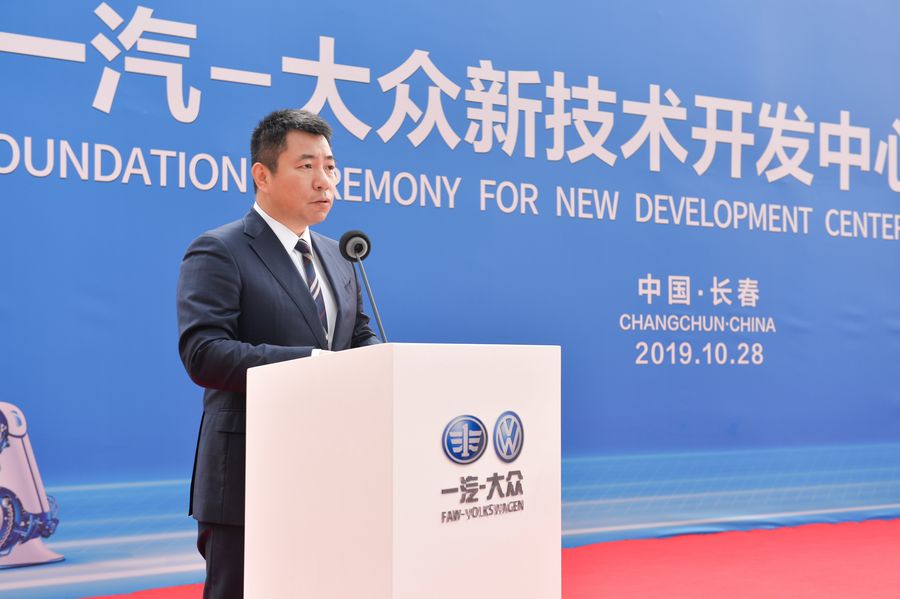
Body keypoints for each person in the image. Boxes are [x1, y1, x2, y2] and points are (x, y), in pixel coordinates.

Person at [176, 109, 380, 599]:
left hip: (334, 470)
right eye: (306, 166)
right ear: (262, 175)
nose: (324, 180)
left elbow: (357, 335)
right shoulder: (220, 249)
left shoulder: (339, 255)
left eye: (330, 166)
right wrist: (312, 366)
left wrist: (383, 365)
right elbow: (204, 353)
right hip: (250, 476)